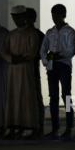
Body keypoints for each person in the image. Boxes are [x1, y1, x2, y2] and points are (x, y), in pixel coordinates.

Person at [3, 5, 41, 139]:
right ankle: (14, 126)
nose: (16, 20)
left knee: (26, 97)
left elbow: (32, 52)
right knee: (13, 97)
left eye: (18, 17)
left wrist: (20, 58)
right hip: (13, 70)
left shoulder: (32, 33)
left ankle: (29, 127)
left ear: (24, 17)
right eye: (14, 17)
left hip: (25, 69)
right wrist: (11, 58)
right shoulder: (11, 34)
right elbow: (4, 51)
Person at [40, 4, 75, 139]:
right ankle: (55, 128)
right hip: (52, 67)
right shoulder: (50, 32)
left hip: (64, 66)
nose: (54, 17)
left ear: (63, 15)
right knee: (53, 98)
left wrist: (56, 55)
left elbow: (71, 50)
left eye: (57, 15)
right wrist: (47, 60)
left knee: (66, 96)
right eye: (53, 15)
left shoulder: (70, 31)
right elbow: (43, 50)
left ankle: (69, 127)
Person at [25, 7, 45, 136]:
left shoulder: (38, 35)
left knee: (35, 97)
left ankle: (38, 127)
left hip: (32, 69)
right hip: (23, 70)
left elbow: (45, 54)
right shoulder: (22, 33)